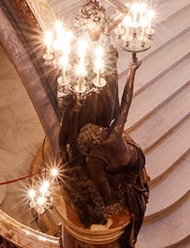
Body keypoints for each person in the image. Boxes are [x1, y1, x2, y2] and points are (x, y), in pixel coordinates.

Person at [75, 56, 149, 248]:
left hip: (135, 161)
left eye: (95, 129)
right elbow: (126, 103)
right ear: (95, 143)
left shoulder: (98, 155)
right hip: (126, 162)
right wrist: (132, 70)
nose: (99, 128)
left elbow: (106, 195)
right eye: (96, 131)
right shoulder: (111, 135)